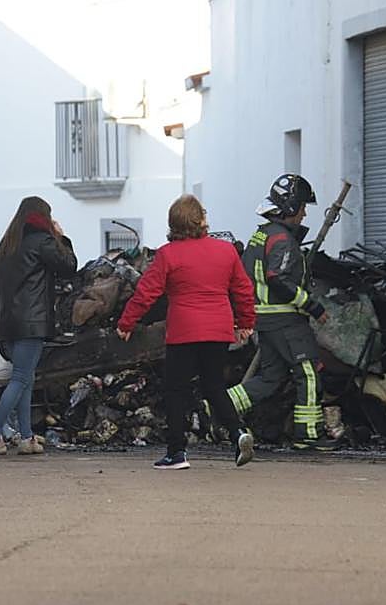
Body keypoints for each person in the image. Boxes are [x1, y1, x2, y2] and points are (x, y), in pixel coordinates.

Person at [116, 194, 257, 470]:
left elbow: (146, 293)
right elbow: (243, 289)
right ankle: (238, 432)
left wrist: (126, 323)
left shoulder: (168, 254)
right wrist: (245, 323)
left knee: (176, 390)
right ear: (201, 220)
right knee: (214, 386)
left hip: (184, 331)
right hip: (218, 330)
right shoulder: (226, 251)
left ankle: (176, 453)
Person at [224, 174, 333, 450]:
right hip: (285, 319)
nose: (304, 213)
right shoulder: (282, 240)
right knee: (308, 372)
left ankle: (218, 408)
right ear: (291, 207)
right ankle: (308, 434)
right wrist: (312, 305)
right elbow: (278, 278)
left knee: (271, 378)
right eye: (302, 207)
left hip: (264, 319)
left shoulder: (262, 233)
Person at [0, 197, 78, 456]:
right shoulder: (43, 242)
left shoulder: (6, 244)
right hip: (32, 323)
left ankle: (26, 437)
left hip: (8, 324)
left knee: (26, 378)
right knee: (21, 378)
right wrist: (61, 237)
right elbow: (69, 266)